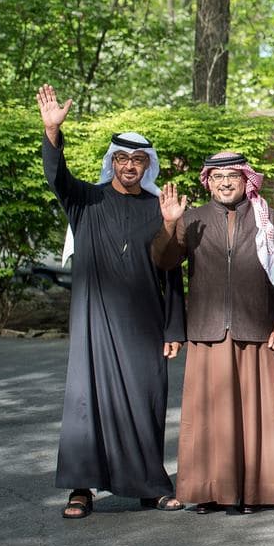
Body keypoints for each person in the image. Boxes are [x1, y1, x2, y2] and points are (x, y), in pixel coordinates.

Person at [37, 84, 185, 519]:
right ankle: (81, 489)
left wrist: (175, 327)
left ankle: (149, 486)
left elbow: (172, 269)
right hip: (94, 321)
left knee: (147, 399)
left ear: (147, 165)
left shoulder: (161, 207)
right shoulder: (86, 200)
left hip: (144, 321)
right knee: (88, 400)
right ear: (112, 162)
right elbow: (55, 177)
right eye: (122, 159)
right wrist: (51, 132)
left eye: (138, 160)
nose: (130, 166)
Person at [151, 152, 274, 514]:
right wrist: (169, 225)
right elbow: (164, 261)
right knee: (207, 416)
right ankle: (210, 491)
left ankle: (251, 492)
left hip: (256, 332)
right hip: (207, 331)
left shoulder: (271, 221)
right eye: (217, 177)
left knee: (253, 416)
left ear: (247, 180)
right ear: (208, 182)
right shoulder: (191, 220)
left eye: (232, 176)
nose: (225, 182)